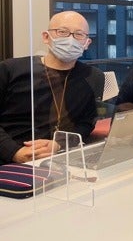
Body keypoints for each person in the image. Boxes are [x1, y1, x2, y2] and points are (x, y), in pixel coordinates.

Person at [0, 11, 105, 165]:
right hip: (9, 159)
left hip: (61, 159)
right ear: (46, 37)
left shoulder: (94, 77)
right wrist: (13, 152)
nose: (70, 39)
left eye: (79, 34)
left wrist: (59, 144)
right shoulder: (10, 69)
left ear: (87, 43)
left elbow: (86, 122)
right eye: (62, 32)